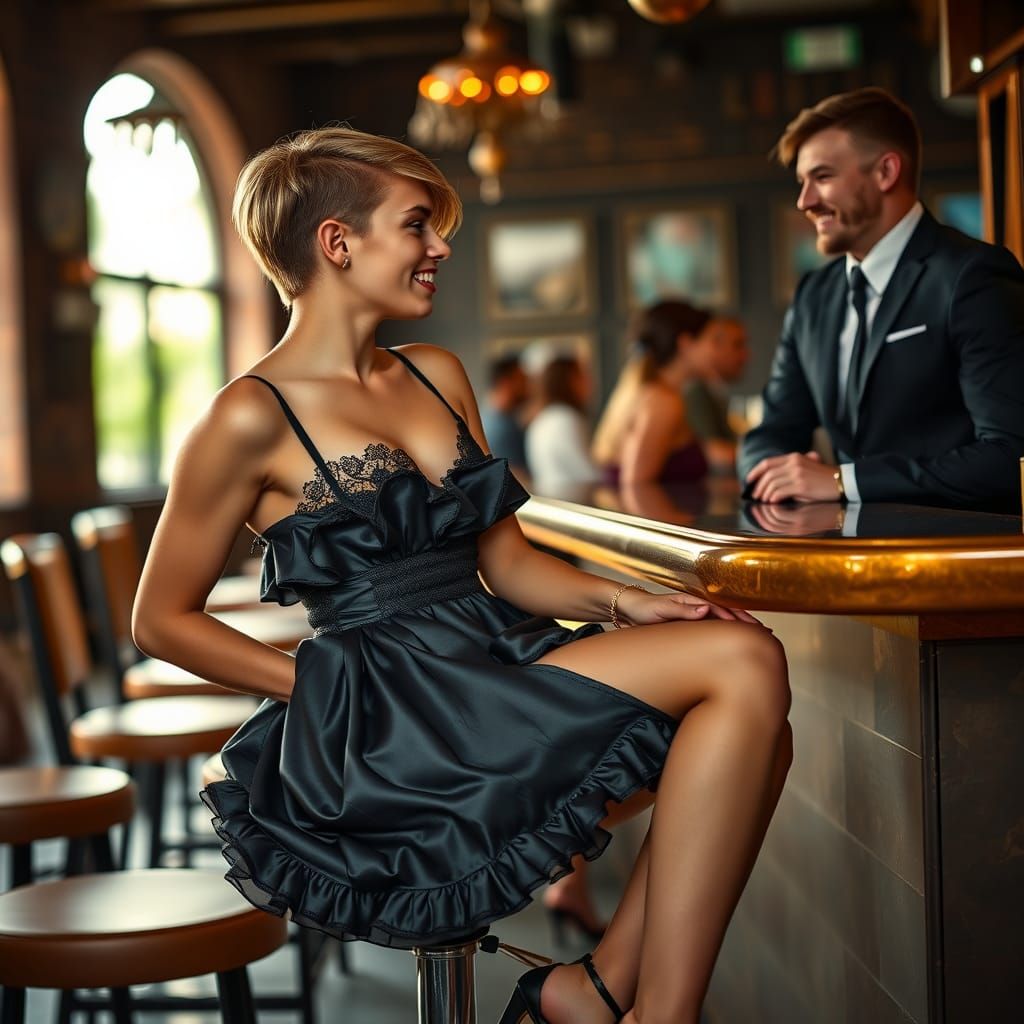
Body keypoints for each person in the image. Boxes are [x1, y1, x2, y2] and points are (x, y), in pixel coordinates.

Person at [131, 126, 791, 1024]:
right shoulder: (245, 416)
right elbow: (161, 620)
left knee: (751, 712)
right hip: (389, 712)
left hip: (491, 659)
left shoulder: (435, 373)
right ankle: (624, 1007)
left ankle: (593, 992)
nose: (441, 248)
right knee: (744, 669)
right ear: (338, 242)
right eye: (417, 226)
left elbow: (509, 564)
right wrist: (320, 691)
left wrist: (632, 602)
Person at [739, 86, 1024, 512]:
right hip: (844, 562)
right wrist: (774, 473)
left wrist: (842, 480)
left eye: (822, 177)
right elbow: (771, 432)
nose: (805, 202)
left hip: (958, 561)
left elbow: (1010, 457)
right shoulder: (814, 295)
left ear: (886, 172)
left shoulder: (973, 276)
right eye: (802, 182)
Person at [592, 300, 712, 485]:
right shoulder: (663, 401)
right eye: (712, 340)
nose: (716, 351)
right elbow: (636, 484)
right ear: (686, 343)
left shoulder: (651, 391)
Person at [524, 353, 600, 494]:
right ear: (570, 381)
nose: (591, 382)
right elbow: (588, 474)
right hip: (573, 504)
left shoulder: (544, 417)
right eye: (583, 375)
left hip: (555, 503)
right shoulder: (566, 419)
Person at [684, 315, 750, 474]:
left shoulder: (712, 390)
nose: (746, 355)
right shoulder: (695, 391)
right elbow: (715, 453)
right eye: (737, 345)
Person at [480, 352, 529, 480]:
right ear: (506, 383)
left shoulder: (487, 418)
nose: (527, 387)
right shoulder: (502, 427)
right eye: (522, 380)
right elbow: (519, 478)